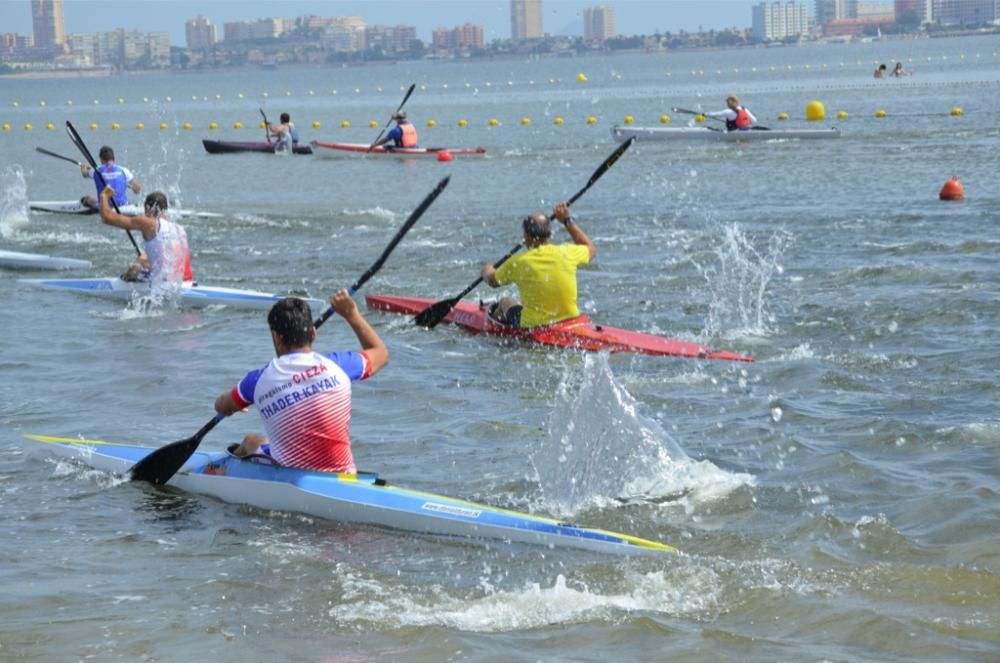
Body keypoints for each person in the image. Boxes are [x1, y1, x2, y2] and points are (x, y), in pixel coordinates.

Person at [213, 292, 389, 473]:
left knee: (251, 441)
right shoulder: (339, 365)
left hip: (287, 475)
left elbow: (221, 406)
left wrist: (236, 405)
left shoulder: (257, 381)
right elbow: (381, 354)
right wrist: (352, 315)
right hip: (342, 474)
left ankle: (219, 472)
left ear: (277, 338)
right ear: (313, 334)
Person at [481, 202, 596, 329]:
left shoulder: (519, 262)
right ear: (549, 234)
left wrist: (486, 270)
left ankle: (496, 337)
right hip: (569, 321)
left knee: (505, 301)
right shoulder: (567, 252)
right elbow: (590, 248)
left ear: (526, 236)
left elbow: (493, 281)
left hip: (534, 327)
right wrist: (567, 220)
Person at [98, 186, 194, 283]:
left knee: (133, 270)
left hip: (165, 286)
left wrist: (104, 196)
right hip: (187, 283)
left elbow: (106, 218)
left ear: (147, 207)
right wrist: (143, 262)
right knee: (140, 264)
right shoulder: (179, 229)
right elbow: (168, 259)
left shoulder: (149, 223)